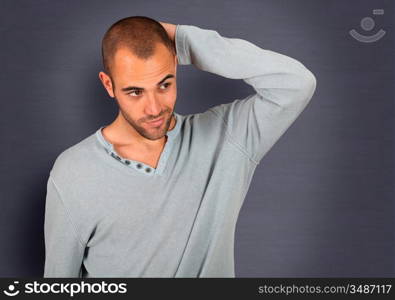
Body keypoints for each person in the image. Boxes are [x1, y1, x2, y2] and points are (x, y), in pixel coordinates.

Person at [43, 16, 316, 278]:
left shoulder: (228, 137)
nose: (154, 108)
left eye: (164, 84)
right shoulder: (73, 173)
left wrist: (183, 40)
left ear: (175, 67)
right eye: (135, 92)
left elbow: (296, 83)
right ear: (108, 84)